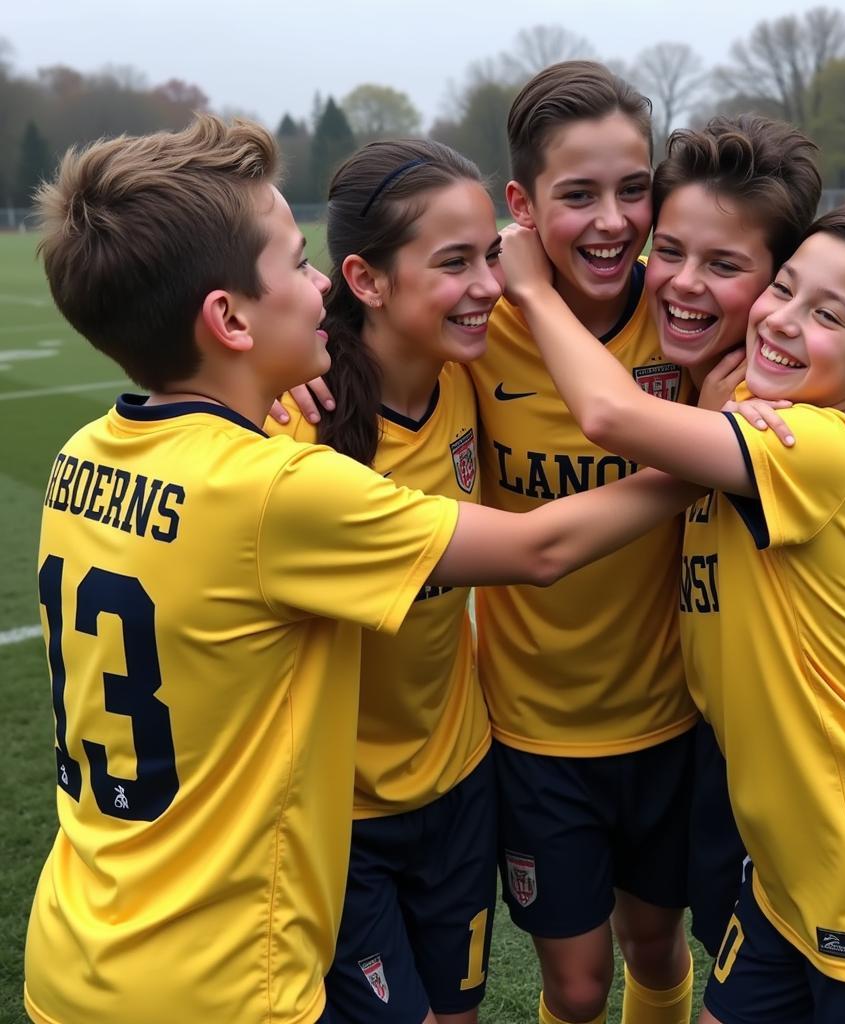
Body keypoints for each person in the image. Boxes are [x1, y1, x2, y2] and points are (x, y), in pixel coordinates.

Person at [276, 70, 845, 1024]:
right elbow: (380, 345)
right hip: (530, 727)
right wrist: (295, 379)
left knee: (661, 947)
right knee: (579, 984)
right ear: (523, 206)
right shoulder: (482, 329)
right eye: (579, 195)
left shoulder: (693, 329)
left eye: (634, 191)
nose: (614, 222)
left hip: (677, 719)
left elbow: (817, 404)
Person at [24, 115, 714, 1024]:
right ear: (230, 317)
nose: (318, 286)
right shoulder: (281, 476)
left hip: (88, 924)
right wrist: (720, 457)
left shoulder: (85, 454)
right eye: (295, 263)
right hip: (225, 952)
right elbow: (540, 550)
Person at [499, 200, 845, 1024]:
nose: (778, 318)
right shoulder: (756, 406)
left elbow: (611, 416)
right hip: (786, 884)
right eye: (783, 287)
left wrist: (532, 290)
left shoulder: (815, 447)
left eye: (826, 314)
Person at [266, 138, 503, 1024]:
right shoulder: (294, 424)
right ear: (364, 280)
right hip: (339, 810)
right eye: (453, 263)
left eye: (492, 255)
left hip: (461, 777)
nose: (487, 284)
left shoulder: (474, 373)